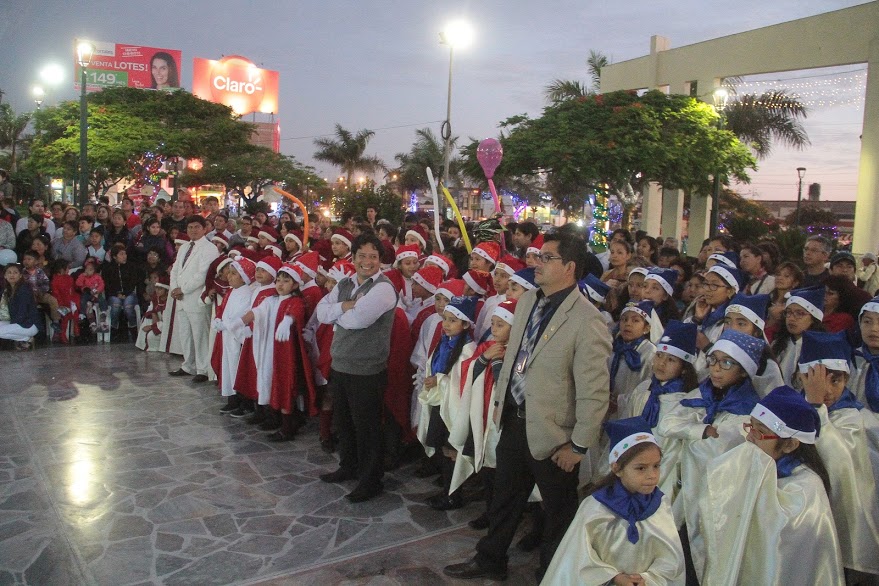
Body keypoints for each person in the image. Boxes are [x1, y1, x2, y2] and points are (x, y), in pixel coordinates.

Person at [444, 231, 612, 582]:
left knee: (558, 511)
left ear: (569, 267)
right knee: (504, 498)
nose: (537, 263)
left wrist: (579, 445)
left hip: (554, 434)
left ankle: (554, 573)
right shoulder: (528, 301)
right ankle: (490, 559)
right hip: (515, 418)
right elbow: (518, 354)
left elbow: (594, 390)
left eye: (547, 258)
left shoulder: (587, 319)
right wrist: (501, 404)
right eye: (538, 256)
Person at [698, 386, 843, 585]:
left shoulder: (806, 489)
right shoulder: (758, 461)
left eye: (761, 432)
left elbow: (777, 549)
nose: (750, 437)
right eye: (751, 426)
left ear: (790, 445)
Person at [542, 417, 685, 586]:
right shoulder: (596, 507)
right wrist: (612, 577)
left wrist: (648, 579)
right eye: (641, 468)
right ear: (617, 468)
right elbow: (577, 556)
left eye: (656, 466)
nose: (652, 475)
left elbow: (671, 558)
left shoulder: (660, 505)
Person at [316, 232, 399, 503]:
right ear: (353, 258)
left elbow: (357, 321)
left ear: (381, 260)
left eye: (373, 257)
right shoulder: (345, 283)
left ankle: (371, 480)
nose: (367, 261)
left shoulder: (384, 288)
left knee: (367, 427)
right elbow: (322, 313)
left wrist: (339, 313)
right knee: (345, 423)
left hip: (367, 368)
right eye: (361, 256)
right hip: (341, 363)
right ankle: (348, 466)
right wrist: (346, 306)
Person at [800, 330, 879, 581]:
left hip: (844, 520)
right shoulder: (792, 409)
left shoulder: (853, 418)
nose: (828, 391)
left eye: (836, 381)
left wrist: (816, 407)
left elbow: (837, 462)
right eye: (818, 381)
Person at [416, 295, 478, 510]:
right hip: (441, 403)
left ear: (465, 323)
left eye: (453, 320)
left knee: (452, 449)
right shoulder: (446, 342)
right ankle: (447, 489)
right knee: (443, 447)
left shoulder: (468, 349)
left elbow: (464, 380)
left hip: (454, 408)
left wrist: (439, 380)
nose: (446, 324)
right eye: (445, 319)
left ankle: (453, 495)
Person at [168, 215, 220, 383]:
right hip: (181, 298)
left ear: (205, 228)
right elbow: (175, 269)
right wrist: (174, 287)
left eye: (197, 227)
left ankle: (203, 368)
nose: (193, 230)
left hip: (196, 297)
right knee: (185, 333)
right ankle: (188, 364)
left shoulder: (209, 248)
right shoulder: (184, 247)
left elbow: (202, 274)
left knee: (200, 334)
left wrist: (183, 289)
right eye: (190, 227)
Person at [0, 263, 40, 349]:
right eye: (9, 272)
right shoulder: (7, 290)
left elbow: (23, 312)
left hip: (28, 324)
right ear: (5, 276)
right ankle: (25, 339)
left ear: (20, 275)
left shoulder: (23, 289)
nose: (12, 275)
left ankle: (25, 338)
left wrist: (10, 325)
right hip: (17, 321)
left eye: (15, 272)